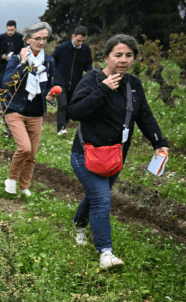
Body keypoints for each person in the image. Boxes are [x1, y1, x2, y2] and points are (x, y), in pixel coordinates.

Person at [68, 34, 169, 269]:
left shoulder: (133, 84)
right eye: (118, 55)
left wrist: (158, 142)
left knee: (95, 196)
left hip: (115, 155)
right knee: (102, 199)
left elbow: (144, 115)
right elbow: (74, 111)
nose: (123, 60)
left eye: (129, 55)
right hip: (86, 154)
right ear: (106, 57)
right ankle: (105, 253)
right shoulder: (92, 80)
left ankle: (78, 225)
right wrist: (102, 90)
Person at [1, 22, 56, 198]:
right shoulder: (16, 59)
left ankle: (24, 187)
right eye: (37, 38)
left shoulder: (48, 61)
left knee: (32, 154)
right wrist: (24, 62)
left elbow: (48, 85)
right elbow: (7, 83)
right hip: (15, 109)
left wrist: (49, 95)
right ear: (28, 40)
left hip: (36, 112)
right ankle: (11, 179)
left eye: (44, 39)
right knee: (24, 148)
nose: (41, 42)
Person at [53, 26, 92, 135]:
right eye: (78, 40)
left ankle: (64, 124)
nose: (80, 43)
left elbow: (88, 65)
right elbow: (52, 62)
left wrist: (90, 71)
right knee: (62, 104)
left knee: (71, 107)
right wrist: (55, 75)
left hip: (76, 83)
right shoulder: (61, 48)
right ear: (73, 36)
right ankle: (60, 128)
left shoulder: (86, 50)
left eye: (83, 41)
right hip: (60, 82)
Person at [0, 20, 24, 91]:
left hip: (15, 67)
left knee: (15, 88)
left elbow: (23, 51)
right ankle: (4, 101)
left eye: (12, 30)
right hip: (2, 67)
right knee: (3, 88)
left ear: (15, 28)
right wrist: (1, 56)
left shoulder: (20, 38)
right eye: (8, 30)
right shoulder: (0, 38)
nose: (10, 32)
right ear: (6, 29)